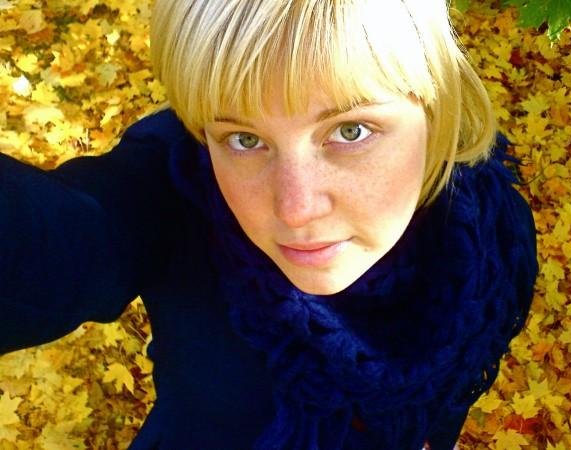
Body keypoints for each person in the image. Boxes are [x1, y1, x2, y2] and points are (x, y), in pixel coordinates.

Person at [0, 0, 538, 449]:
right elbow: (58, 239)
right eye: (244, 139)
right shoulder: (175, 189)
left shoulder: (488, 232)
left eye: (350, 131)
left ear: (435, 106)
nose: (296, 209)